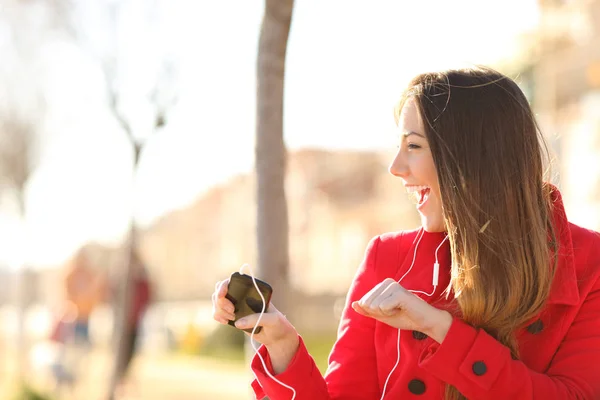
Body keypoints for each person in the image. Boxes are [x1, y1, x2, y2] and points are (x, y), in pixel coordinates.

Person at [211, 66, 600, 399]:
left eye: (413, 146)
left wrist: (439, 327)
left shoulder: (588, 265)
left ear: (473, 156)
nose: (396, 168)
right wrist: (281, 343)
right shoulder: (386, 257)